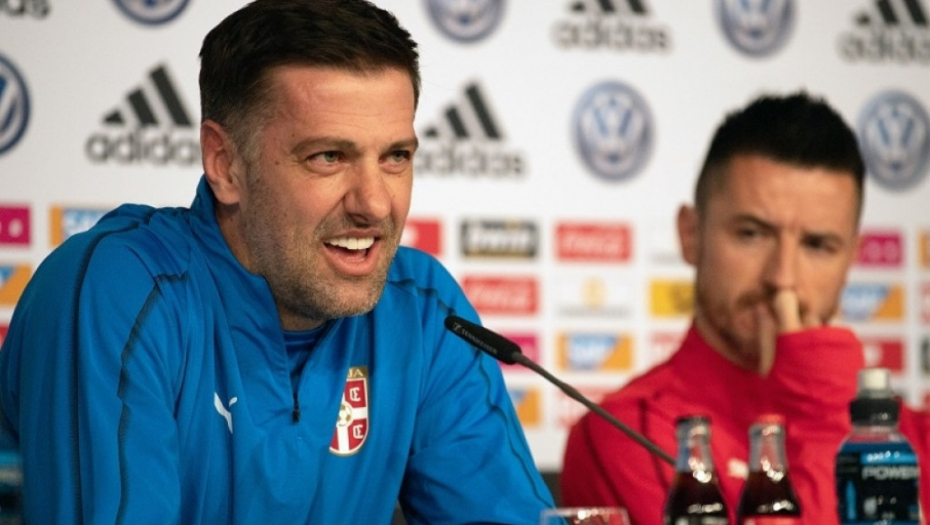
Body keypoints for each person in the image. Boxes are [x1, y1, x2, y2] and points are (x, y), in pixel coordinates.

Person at [0, 1, 555, 523]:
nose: (374, 204)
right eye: (328, 156)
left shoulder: (423, 310)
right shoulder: (120, 289)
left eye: (395, 157)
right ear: (225, 164)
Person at [560, 92, 930, 525]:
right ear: (691, 234)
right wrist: (822, 409)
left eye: (817, 245)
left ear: (851, 259)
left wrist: (828, 405)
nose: (782, 278)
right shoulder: (623, 436)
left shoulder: (917, 439)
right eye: (752, 234)